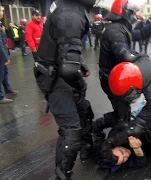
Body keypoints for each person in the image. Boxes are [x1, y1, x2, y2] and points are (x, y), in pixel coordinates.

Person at [33, 0, 99, 179]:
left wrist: (78, 62)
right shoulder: (71, 13)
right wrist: (81, 85)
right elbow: (69, 69)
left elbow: (62, 44)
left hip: (58, 70)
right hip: (54, 77)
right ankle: (62, 176)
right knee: (71, 130)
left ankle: (87, 150)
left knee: (84, 111)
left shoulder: (71, 8)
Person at [96, 0, 151, 139]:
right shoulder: (115, 31)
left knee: (124, 112)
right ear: (124, 12)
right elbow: (124, 53)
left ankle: (101, 126)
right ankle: (100, 129)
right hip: (111, 79)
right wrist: (144, 58)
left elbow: (141, 34)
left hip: (117, 77)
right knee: (122, 117)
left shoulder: (121, 28)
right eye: (132, 12)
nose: (133, 15)